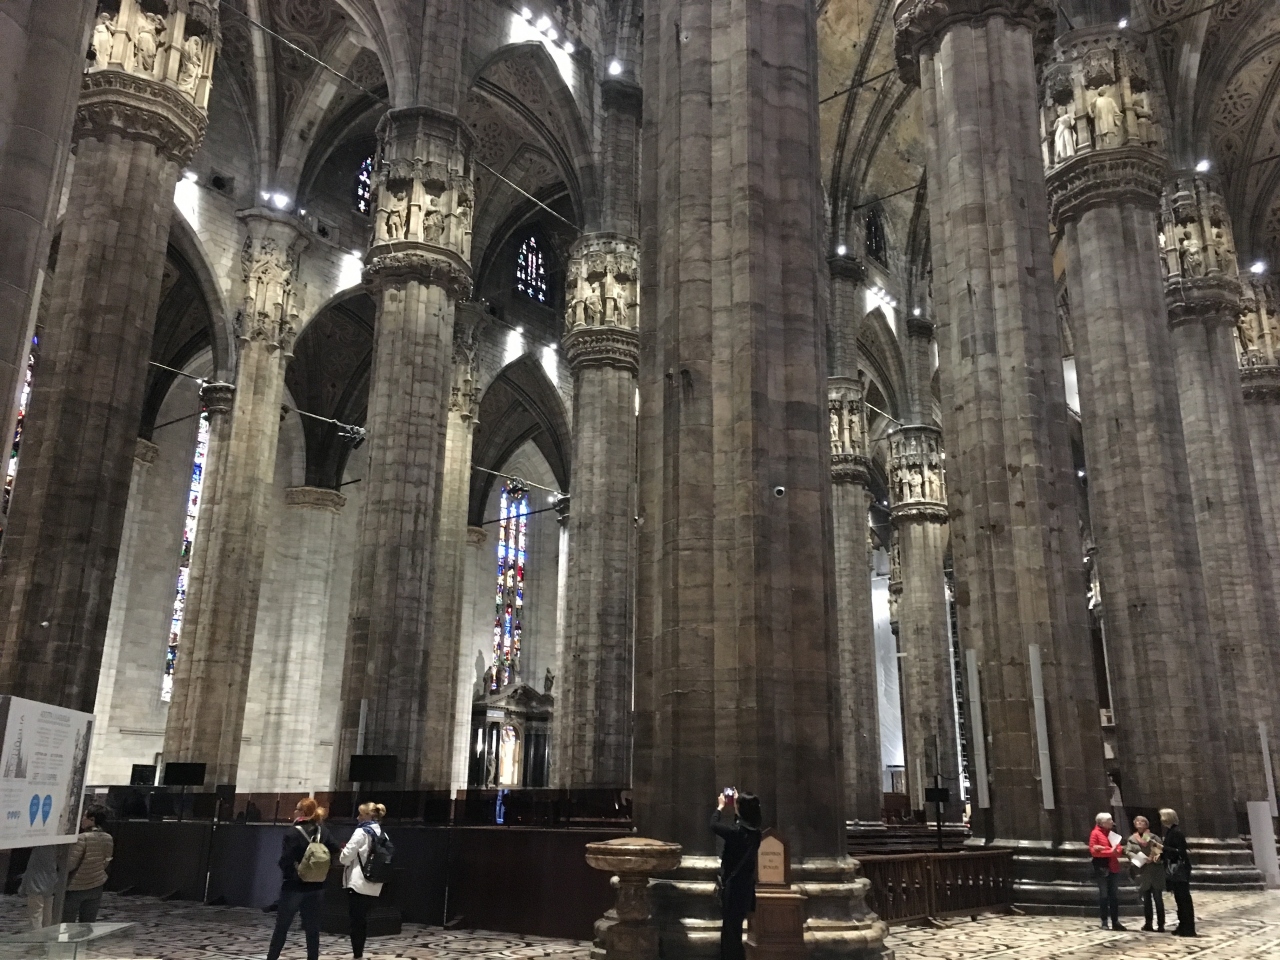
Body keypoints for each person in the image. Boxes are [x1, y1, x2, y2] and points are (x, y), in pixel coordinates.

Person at [266, 798, 339, 960]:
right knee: (313, 928)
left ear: (302, 812)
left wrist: (291, 873)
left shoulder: (293, 832)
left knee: (282, 927)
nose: (294, 811)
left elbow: (286, 859)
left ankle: (272, 957)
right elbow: (335, 848)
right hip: (317, 885)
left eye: (297, 809)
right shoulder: (323, 831)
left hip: (295, 886)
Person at [711, 789, 762, 960]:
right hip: (746, 889)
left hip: (733, 889)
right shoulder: (756, 833)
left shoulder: (737, 833)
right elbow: (740, 829)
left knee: (730, 934)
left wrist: (720, 807)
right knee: (736, 929)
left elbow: (713, 825)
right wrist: (737, 809)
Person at [340, 802, 388, 960]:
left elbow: (345, 857)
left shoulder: (361, 831)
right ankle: (359, 952)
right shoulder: (381, 832)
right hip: (375, 882)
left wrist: (343, 853)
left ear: (368, 815)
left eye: (360, 814)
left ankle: (357, 954)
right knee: (364, 920)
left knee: (356, 921)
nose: (357, 817)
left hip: (358, 882)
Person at [62, 806, 114, 922]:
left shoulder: (82, 838)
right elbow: (106, 861)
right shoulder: (108, 838)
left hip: (76, 886)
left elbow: (71, 864)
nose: (82, 819)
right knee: (88, 923)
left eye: (84, 816)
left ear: (92, 819)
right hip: (96, 884)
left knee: (67, 923)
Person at [1125, 815, 1165, 932]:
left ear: (1147, 824)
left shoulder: (1153, 837)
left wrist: (1153, 858)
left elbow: (1160, 849)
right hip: (1142, 871)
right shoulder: (1132, 839)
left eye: (1142, 821)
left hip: (1155, 871)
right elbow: (1128, 851)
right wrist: (1141, 859)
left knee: (1158, 898)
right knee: (1146, 899)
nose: (1139, 823)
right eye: (1137, 821)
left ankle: (1161, 924)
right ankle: (1148, 923)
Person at [1160, 808, 1196, 937]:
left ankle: (1188, 928)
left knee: (1184, 899)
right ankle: (1182, 925)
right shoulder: (1171, 831)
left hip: (1180, 869)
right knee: (1179, 899)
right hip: (1175, 868)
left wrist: (1163, 848)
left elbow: (1180, 851)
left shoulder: (1176, 832)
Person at [1088, 811, 1125, 930]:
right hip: (1102, 868)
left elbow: (1118, 850)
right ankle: (1104, 921)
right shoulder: (1095, 833)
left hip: (1114, 867)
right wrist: (1110, 851)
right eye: (1109, 820)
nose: (1112, 822)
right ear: (1102, 822)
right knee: (1104, 895)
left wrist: (1104, 849)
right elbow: (1094, 852)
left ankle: (1115, 921)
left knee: (1114, 895)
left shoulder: (1112, 834)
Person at [19, 845, 59, 929]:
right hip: (50, 883)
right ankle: (47, 933)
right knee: (47, 913)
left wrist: (23, 887)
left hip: (35, 884)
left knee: (35, 914)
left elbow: (30, 869)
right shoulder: (57, 847)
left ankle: (37, 935)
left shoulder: (38, 849)